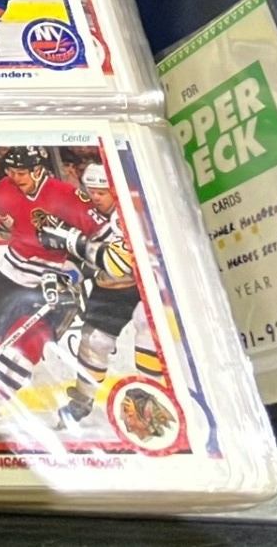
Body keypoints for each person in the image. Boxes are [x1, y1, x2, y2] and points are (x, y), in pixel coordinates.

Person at [0, 147, 121, 436]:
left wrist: (77, 270)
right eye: (10, 171)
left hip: (54, 281)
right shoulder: (3, 190)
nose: (15, 177)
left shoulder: (68, 196)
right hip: (12, 272)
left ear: (38, 170)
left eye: (21, 172)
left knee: (23, 350)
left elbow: (110, 244)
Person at [56, 163, 163, 426]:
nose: (95, 197)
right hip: (110, 289)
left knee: (148, 326)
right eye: (91, 191)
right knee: (94, 341)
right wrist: (68, 276)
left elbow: (117, 263)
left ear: (115, 191)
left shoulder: (130, 213)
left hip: (145, 286)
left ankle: (152, 398)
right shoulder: (84, 213)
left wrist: (74, 242)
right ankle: (82, 400)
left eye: (101, 192)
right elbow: (79, 261)